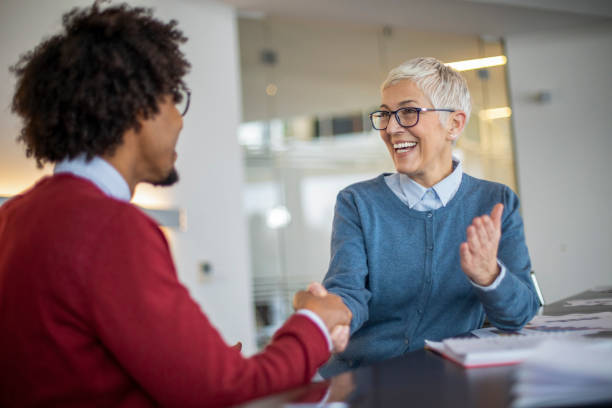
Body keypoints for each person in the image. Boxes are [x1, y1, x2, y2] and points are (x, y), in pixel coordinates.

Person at [0, 3, 351, 407]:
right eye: (173, 98)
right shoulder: (112, 227)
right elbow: (221, 391)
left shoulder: (14, 217)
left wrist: (208, 363)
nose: (180, 120)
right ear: (138, 106)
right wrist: (315, 324)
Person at [319, 57, 540, 377]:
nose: (392, 128)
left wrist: (489, 276)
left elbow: (519, 316)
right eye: (385, 114)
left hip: (448, 381)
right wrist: (330, 316)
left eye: (408, 112)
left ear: (455, 124)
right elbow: (348, 291)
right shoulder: (357, 202)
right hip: (364, 378)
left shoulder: (496, 202)